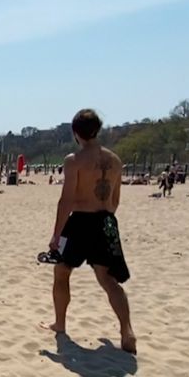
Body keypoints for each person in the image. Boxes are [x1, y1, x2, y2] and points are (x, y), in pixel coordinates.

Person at [47, 108, 135, 353]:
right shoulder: (116, 161)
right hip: (106, 221)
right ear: (97, 130)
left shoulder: (74, 160)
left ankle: (60, 324)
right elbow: (115, 200)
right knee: (108, 279)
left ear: (76, 132)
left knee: (62, 271)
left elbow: (66, 200)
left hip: (80, 222)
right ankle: (127, 330)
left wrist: (56, 235)